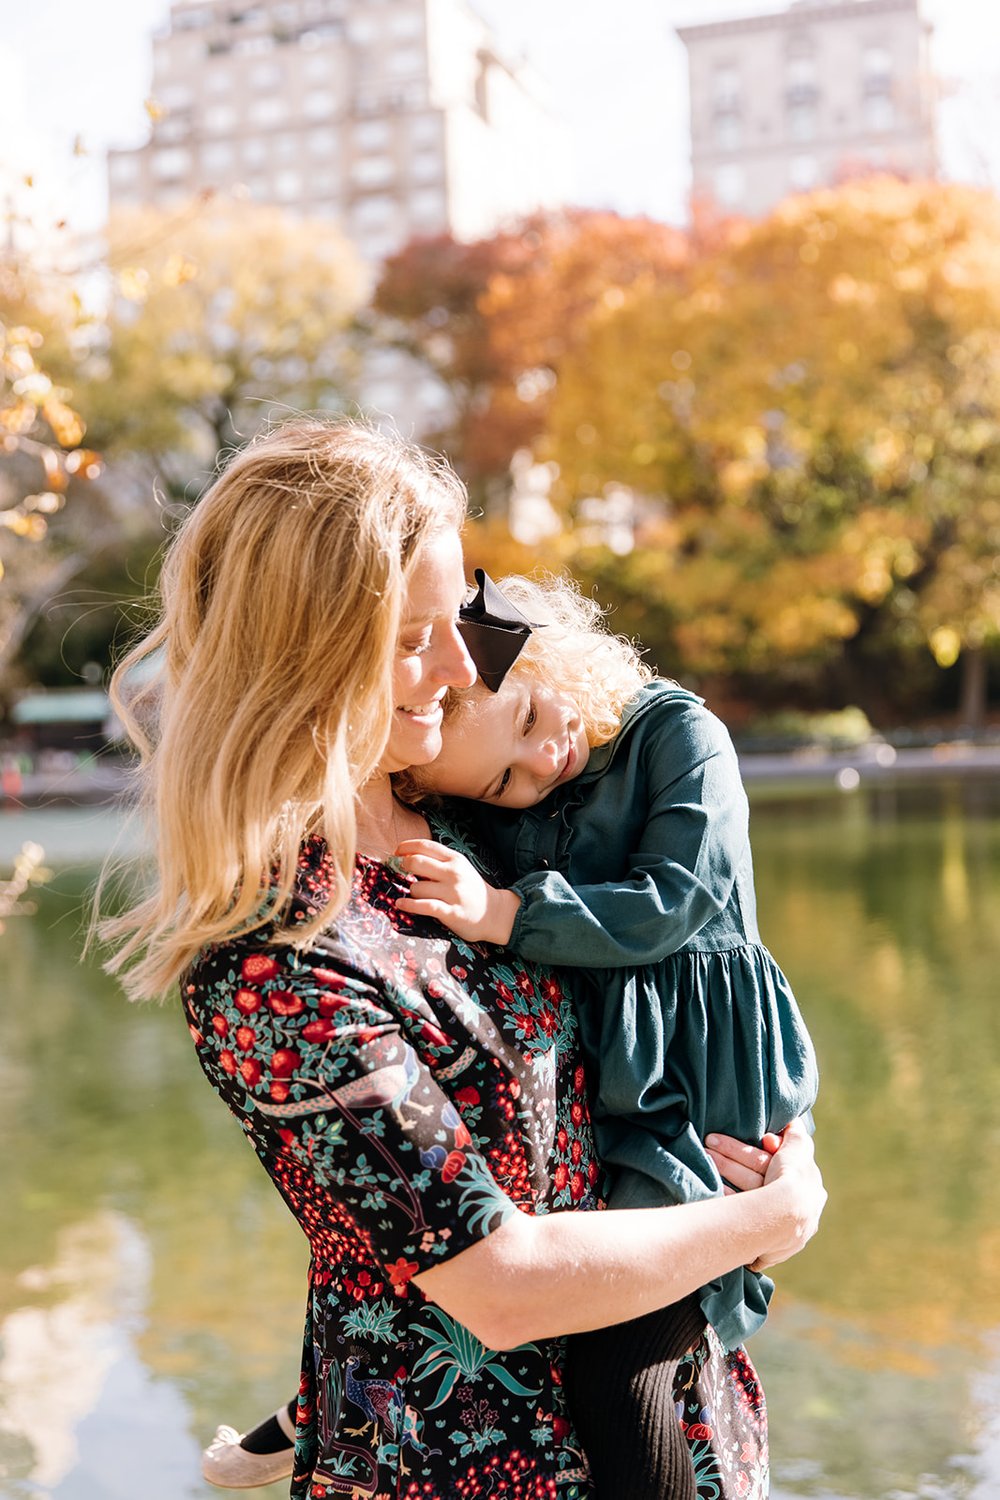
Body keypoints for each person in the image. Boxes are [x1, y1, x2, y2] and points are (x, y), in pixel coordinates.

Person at [101, 419, 825, 1500]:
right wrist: (774, 1215)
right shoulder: (278, 956)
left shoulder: (473, 839)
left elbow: (670, 983)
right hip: (463, 1471)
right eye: (412, 637)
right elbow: (496, 1285)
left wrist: (759, 1135)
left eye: (457, 621)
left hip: (679, 1411)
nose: (459, 665)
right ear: (300, 653)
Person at [391, 571, 820, 1498]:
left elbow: (680, 900)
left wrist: (506, 912)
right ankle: (306, 1410)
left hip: (704, 1069)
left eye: (536, 714)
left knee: (621, 1361)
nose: (543, 761)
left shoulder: (676, 733)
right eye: (505, 780)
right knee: (567, 1321)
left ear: (549, 656)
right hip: (612, 1068)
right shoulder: (487, 782)